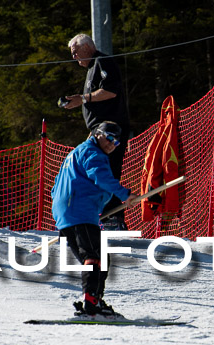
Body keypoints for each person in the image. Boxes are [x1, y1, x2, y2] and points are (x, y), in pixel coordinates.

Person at [51, 121, 138, 319]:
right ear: (97, 134)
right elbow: (101, 177)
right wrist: (124, 194)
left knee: (100, 258)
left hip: (71, 213)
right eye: (109, 138)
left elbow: (56, 186)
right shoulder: (93, 153)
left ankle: (95, 300)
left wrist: (64, 214)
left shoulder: (76, 153)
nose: (112, 144)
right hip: (78, 212)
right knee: (94, 256)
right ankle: (91, 302)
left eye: (116, 142)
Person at [63, 33, 131, 230]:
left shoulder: (102, 61)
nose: (74, 57)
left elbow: (111, 90)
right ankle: (105, 216)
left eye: (75, 52)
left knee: (106, 170)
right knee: (95, 170)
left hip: (109, 130)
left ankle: (113, 218)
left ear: (86, 48)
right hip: (98, 131)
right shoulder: (93, 67)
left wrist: (83, 99)